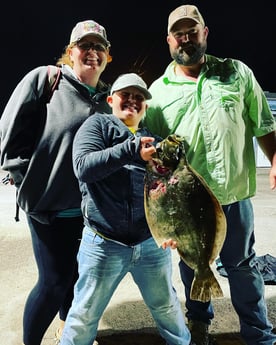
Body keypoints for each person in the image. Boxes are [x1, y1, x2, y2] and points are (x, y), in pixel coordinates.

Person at [142, 4, 276, 345]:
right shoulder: (157, 93)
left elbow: (263, 123)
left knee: (242, 267)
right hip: (187, 202)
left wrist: (275, 159)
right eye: (178, 34)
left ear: (205, 34)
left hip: (233, 196)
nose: (185, 39)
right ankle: (199, 323)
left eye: (192, 31)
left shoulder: (236, 74)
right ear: (169, 40)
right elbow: (155, 162)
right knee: (191, 265)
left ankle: (258, 333)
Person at [0, 19, 112, 345]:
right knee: (53, 281)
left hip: (89, 212)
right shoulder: (47, 79)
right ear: (71, 52)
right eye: (84, 45)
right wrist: (27, 179)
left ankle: (67, 327)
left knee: (76, 276)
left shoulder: (109, 99)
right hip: (49, 207)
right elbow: (9, 133)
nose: (92, 52)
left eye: (99, 47)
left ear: (107, 56)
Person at [59, 73, 193, 345]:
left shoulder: (155, 140)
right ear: (111, 100)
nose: (132, 100)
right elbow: (83, 167)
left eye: (139, 97)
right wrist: (131, 149)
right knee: (84, 314)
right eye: (125, 95)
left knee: (167, 308)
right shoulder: (96, 126)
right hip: (103, 243)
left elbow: (168, 192)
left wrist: (171, 228)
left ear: (145, 107)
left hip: (150, 246)